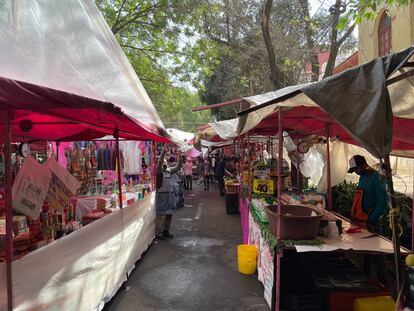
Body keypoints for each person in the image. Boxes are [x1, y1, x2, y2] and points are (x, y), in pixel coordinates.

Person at [348, 155, 387, 230]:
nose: (356, 172)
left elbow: (382, 200)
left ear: (363, 165)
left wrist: (372, 218)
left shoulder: (377, 177)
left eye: (356, 169)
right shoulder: (362, 177)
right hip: (360, 219)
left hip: (370, 222)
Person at [155, 145, 183, 239]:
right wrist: (163, 152)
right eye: (163, 162)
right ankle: (159, 233)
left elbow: (178, 167)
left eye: (165, 162)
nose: (164, 163)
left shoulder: (169, 171)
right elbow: (159, 163)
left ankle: (166, 230)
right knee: (161, 215)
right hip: (162, 196)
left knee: (169, 214)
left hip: (170, 195)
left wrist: (180, 156)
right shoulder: (158, 171)